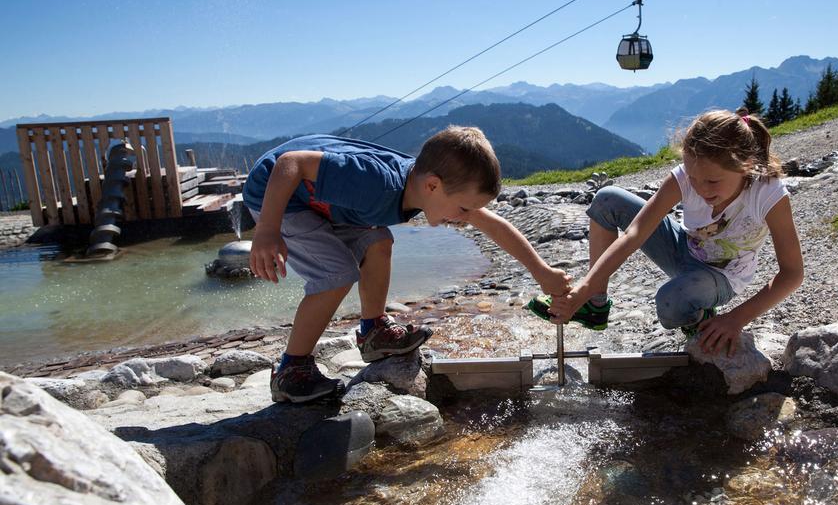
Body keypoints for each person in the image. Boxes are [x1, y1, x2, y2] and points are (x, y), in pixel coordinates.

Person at [243, 126, 570, 403]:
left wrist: (541, 271)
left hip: (326, 203)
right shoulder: (377, 184)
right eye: (462, 209)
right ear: (432, 185)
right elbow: (290, 162)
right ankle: (291, 369)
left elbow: (493, 224)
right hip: (278, 196)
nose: (462, 219)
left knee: (378, 242)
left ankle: (374, 333)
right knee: (337, 273)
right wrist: (268, 230)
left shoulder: (421, 187)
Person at [528, 109, 803, 357]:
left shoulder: (767, 193)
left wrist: (736, 319)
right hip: (682, 246)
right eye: (694, 179)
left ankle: (701, 315)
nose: (702, 189)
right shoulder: (685, 177)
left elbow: (792, 273)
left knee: (670, 304)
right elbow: (634, 233)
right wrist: (583, 291)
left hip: (722, 277)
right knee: (607, 199)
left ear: (745, 166)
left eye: (712, 181)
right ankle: (595, 306)